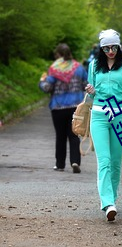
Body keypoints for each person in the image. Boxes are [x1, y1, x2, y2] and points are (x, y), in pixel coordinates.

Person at [85, 29, 122, 221]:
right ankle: (107, 203)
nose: (110, 51)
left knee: (116, 161)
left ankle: (112, 199)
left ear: (119, 46)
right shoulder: (93, 66)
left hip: (119, 117)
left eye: (114, 47)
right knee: (104, 160)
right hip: (99, 116)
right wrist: (90, 90)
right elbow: (91, 95)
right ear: (101, 48)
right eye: (106, 48)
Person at [39, 43, 88, 173]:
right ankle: (75, 161)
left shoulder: (54, 69)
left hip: (58, 107)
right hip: (75, 107)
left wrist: (42, 81)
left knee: (60, 136)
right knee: (74, 135)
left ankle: (60, 164)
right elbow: (86, 85)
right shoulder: (79, 68)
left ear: (58, 55)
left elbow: (47, 88)